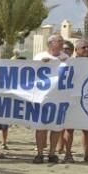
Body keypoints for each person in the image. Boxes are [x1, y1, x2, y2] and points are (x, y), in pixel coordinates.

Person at [32, 33, 68, 163]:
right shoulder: (40, 56)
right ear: (51, 43)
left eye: (62, 41)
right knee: (41, 127)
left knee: (56, 128)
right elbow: (32, 72)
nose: (61, 43)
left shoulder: (66, 57)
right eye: (59, 41)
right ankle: (40, 153)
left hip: (59, 98)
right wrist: (42, 64)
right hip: (42, 97)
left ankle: (52, 153)